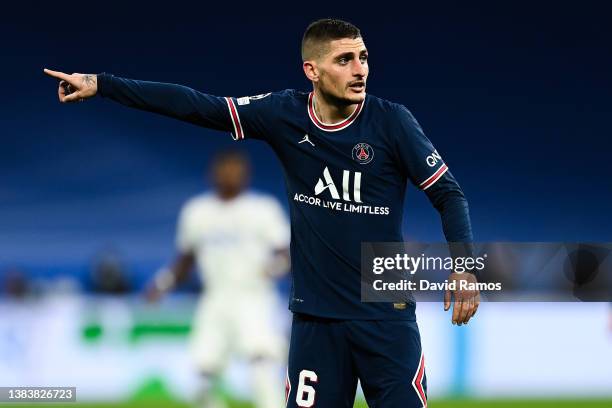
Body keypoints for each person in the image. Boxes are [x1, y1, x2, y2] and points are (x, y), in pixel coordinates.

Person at [44, 18, 479, 408]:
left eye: (363, 57)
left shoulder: (392, 122)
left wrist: (464, 267)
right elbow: (199, 105)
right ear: (312, 70)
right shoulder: (284, 114)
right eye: (344, 59)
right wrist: (103, 84)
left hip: (385, 316)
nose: (360, 69)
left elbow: (449, 193)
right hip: (315, 322)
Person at [146, 150, 291, 408]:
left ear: (246, 175)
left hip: (254, 297)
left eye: (236, 171)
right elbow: (186, 258)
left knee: (262, 366)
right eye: (225, 170)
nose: (231, 176)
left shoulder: (262, 209)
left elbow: (285, 252)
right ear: (213, 174)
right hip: (215, 298)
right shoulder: (197, 211)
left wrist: (275, 267)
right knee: (202, 373)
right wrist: (163, 283)